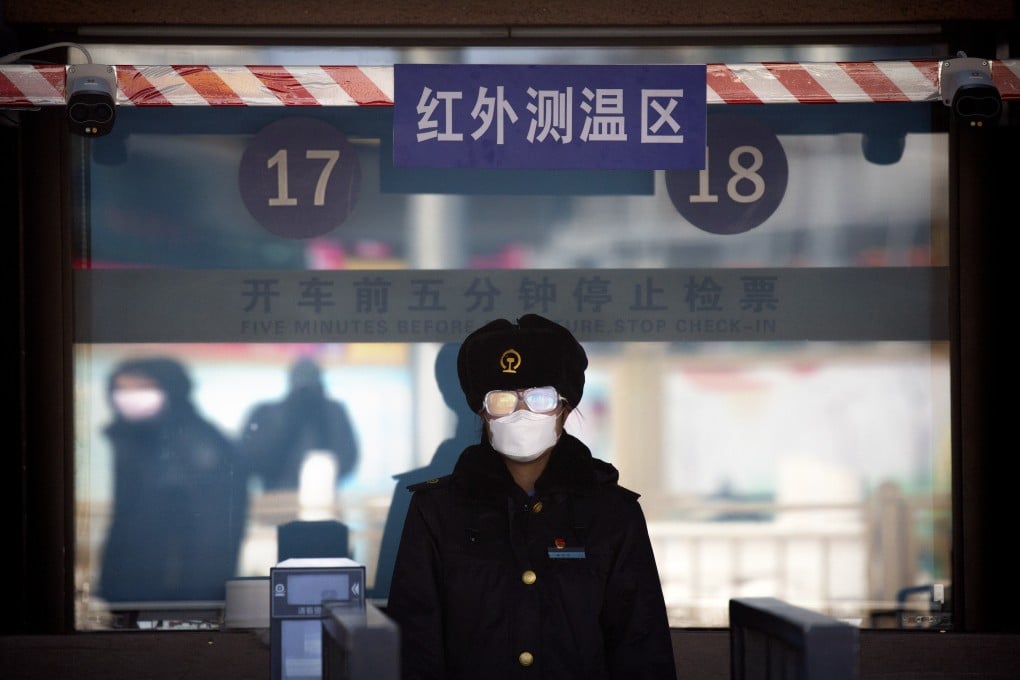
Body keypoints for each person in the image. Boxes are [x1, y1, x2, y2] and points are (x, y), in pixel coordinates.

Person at [386, 314, 677, 679]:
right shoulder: (436, 512)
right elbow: (415, 651)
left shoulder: (613, 514)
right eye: (503, 399)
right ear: (481, 409)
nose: (522, 411)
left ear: (566, 407)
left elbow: (642, 651)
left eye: (540, 398)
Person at [97, 357, 248, 604]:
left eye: (142, 387)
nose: (129, 396)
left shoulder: (201, 447)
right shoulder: (135, 437)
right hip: (129, 590)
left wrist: (191, 604)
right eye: (122, 388)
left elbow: (210, 534)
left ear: (171, 390)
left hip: (171, 597)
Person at [239, 357, 359, 492]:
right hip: (276, 500)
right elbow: (249, 459)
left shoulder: (333, 413)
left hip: (324, 499)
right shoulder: (267, 413)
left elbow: (348, 460)